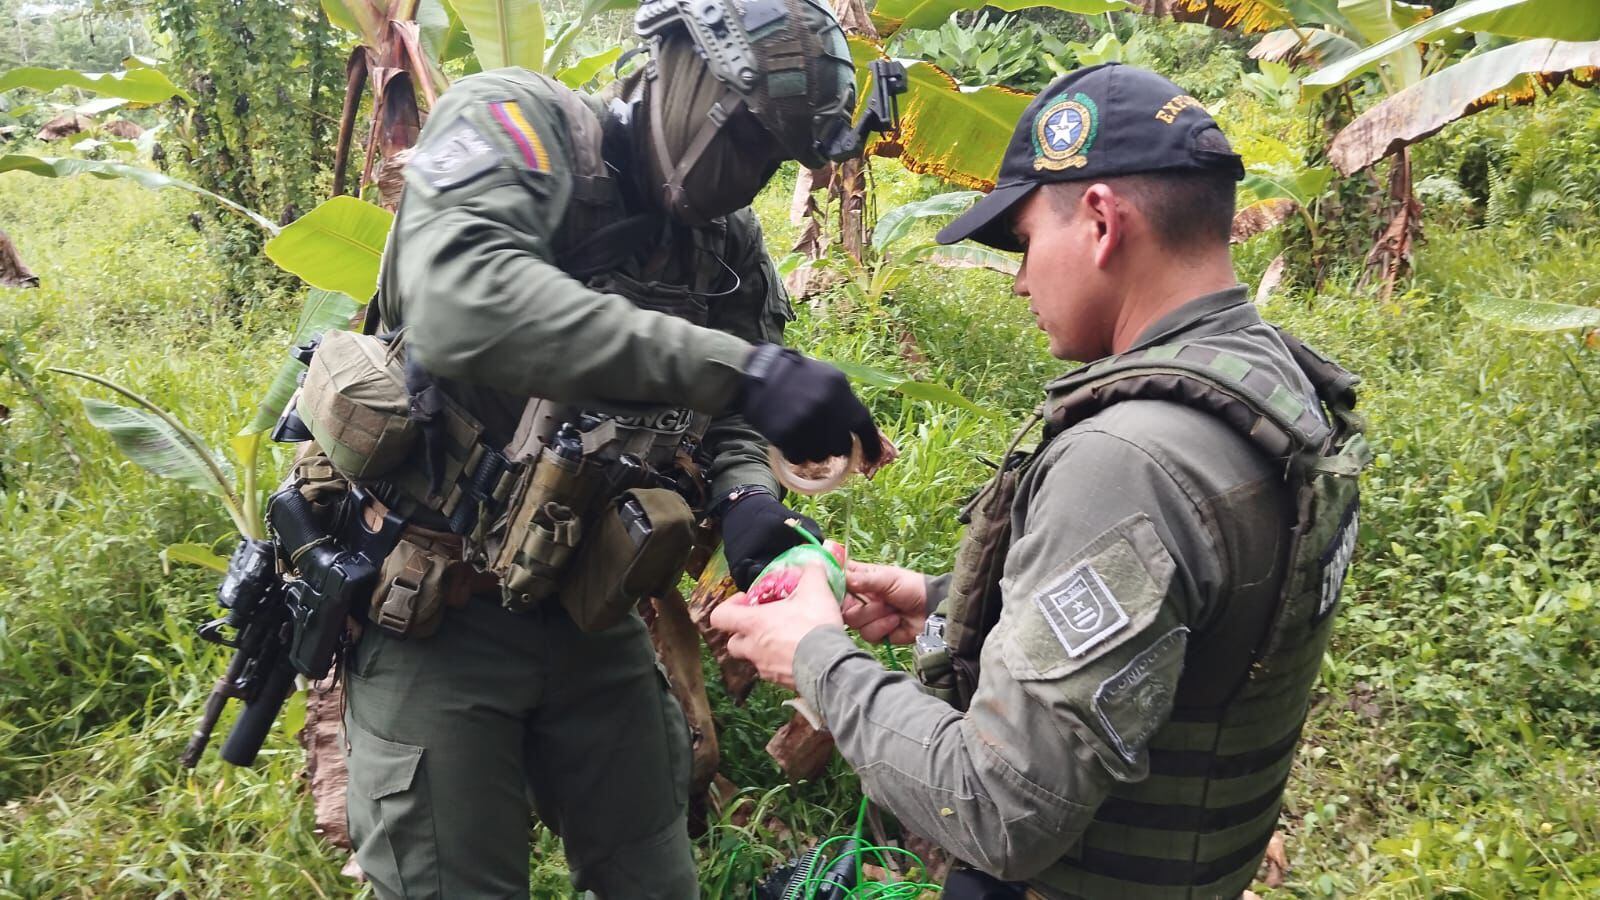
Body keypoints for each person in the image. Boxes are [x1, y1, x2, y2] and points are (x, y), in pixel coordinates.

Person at [711, 62, 1371, 899]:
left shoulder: (1128, 460)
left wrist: (814, 656)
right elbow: (1187, 617)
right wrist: (942, 599)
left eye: (1024, 243)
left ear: (1099, 222)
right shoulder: (1275, 386)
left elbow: (1000, 809)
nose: (1020, 279)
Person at [331, 0, 884, 896]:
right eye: (746, 138)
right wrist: (742, 372)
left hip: (591, 609)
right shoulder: (515, 123)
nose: (750, 180)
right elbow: (463, 302)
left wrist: (751, 509)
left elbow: (733, 416)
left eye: (777, 158)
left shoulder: (724, 242)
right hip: (438, 611)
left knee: (654, 874)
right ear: (674, 66)